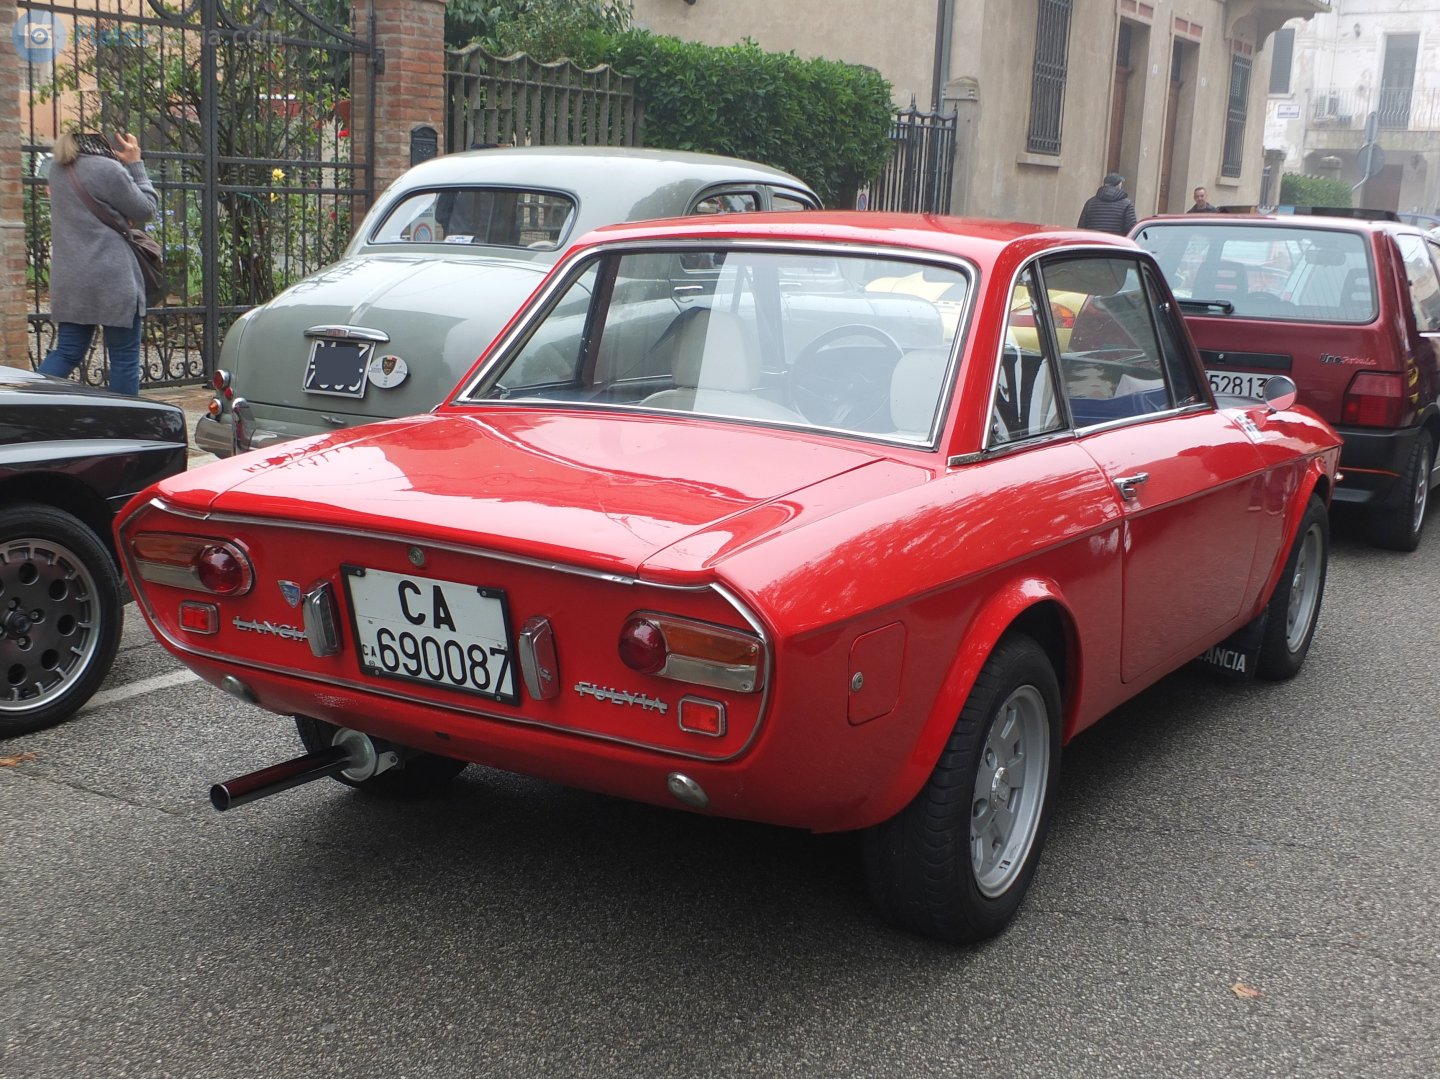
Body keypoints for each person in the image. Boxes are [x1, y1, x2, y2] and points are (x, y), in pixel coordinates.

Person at [38, 130, 158, 396]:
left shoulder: (57, 170)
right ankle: (122, 419)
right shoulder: (107, 168)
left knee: (67, 352)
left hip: (71, 279)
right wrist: (135, 163)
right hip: (112, 278)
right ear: (101, 140)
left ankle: (23, 404)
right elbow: (146, 209)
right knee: (123, 359)